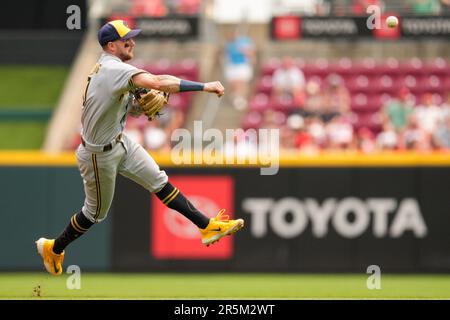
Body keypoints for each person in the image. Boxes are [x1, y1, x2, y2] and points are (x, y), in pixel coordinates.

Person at [36, 20, 244, 276]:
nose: (132, 42)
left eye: (131, 38)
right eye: (126, 40)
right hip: (97, 155)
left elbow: (140, 95)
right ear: (111, 46)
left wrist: (139, 106)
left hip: (119, 142)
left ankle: (207, 226)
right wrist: (204, 86)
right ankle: (54, 248)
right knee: (94, 213)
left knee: (160, 181)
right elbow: (157, 82)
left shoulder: (115, 69)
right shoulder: (113, 70)